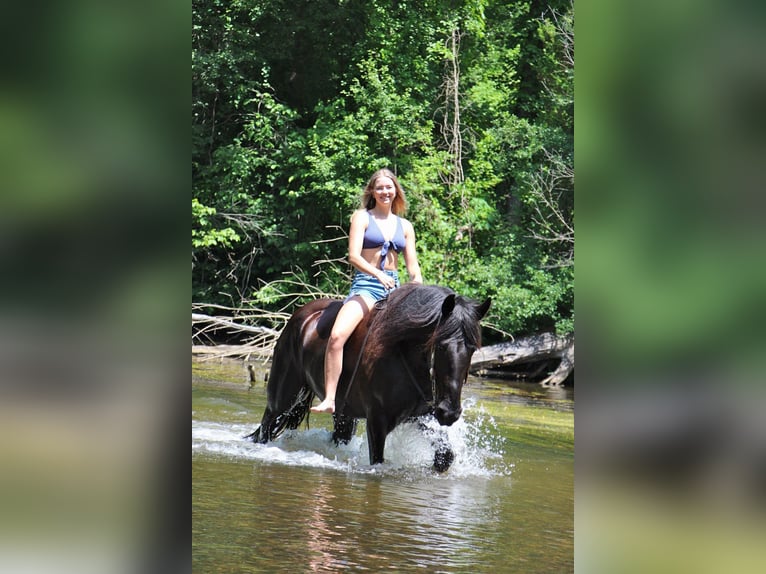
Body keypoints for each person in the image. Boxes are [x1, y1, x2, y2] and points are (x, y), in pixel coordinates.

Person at [311, 168, 422, 414]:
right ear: (372, 191)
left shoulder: (405, 226)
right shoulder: (362, 217)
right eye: (380, 188)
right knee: (338, 336)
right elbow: (353, 256)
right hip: (366, 286)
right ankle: (330, 398)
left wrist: (416, 286)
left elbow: (413, 268)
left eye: (389, 187)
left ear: (396, 191)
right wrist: (378, 274)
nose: (385, 192)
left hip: (394, 290)